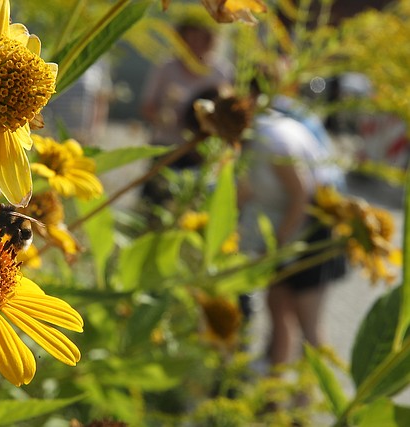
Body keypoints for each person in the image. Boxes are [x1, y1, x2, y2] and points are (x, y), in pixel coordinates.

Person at [237, 80, 346, 368]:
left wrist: (278, 246)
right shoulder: (257, 138)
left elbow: (302, 194)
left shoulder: (273, 141)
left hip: (314, 228)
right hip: (291, 230)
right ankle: (274, 392)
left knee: (308, 322)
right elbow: (249, 191)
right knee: (278, 306)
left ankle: (305, 400)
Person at [140, 21, 233, 206]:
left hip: (199, 150)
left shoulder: (221, 71)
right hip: (167, 147)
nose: (196, 43)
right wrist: (161, 115)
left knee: (190, 205)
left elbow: (228, 110)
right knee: (155, 201)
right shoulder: (167, 67)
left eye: (202, 38)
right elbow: (146, 106)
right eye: (191, 37)